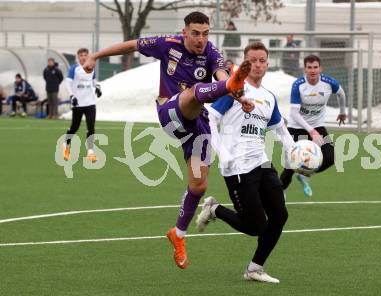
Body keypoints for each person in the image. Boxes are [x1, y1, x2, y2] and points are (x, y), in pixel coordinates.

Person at [82, 11, 253, 269]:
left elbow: (219, 74)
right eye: (195, 33)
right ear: (184, 32)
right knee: (193, 93)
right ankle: (231, 85)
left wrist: (238, 95)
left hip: (197, 127)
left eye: (205, 33)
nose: (201, 39)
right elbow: (131, 45)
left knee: (198, 185)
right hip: (171, 113)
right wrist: (95, 56)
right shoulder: (167, 44)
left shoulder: (212, 53)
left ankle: (178, 234)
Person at [197, 42, 296, 283]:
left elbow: (279, 128)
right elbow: (210, 117)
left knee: (280, 216)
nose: (258, 65)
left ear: (267, 64)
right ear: (244, 63)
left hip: (261, 162)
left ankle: (254, 269)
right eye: (253, 60)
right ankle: (214, 209)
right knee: (256, 226)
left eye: (262, 60)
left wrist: (295, 149)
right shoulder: (234, 89)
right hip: (237, 167)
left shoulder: (269, 97)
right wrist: (221, 150)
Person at [280, 54, 347, 197]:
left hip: (318, 127)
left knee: (330, 157)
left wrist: (342, 112)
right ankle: (281, 191)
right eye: (309, 67)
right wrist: (311, 131)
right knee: (291, 164)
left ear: (320, 68)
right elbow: (295, 113)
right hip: (296, 127)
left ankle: (305, 175)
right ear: (304, 69)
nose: (312, 70)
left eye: (315, 67)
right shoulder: (298, 85)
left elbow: (341, 94)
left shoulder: (329, 82)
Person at [63, 48, 102, 163]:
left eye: (85, 55)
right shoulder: (74, 69)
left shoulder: (91, 67)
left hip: (90, 103)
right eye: (81, 55)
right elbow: (68, 83)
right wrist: (72, 96)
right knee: (74, 127)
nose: (83, 57)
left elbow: (94, 81)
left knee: (91, 127)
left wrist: (98, 88)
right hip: (78, 103)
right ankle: (66, 145)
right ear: (78, 57)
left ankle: (90, 152)